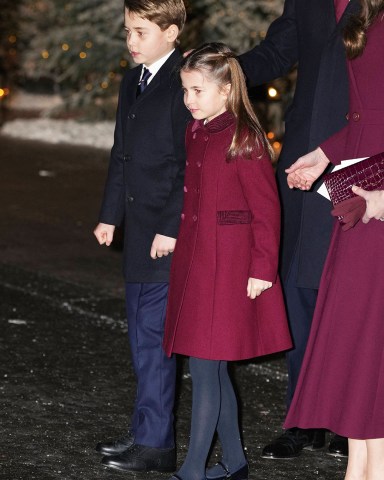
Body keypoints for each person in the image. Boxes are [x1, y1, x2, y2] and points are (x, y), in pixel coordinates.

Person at [162, 43, 292, 480]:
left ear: (226, 89)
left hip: (230, 266)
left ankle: (192, 469)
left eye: (198, 91)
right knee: (209, 367)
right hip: (197, 264)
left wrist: (261, 268)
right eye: (185, 91)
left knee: (206, 367)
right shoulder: (196, 131)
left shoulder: (244, 137)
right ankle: (234, 461)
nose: (189, 100)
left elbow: (266, 210)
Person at [235, 0, 357, 458]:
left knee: (351, 291)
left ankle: (351, 419)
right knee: (299, 288)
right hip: (303, 161)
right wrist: (226, 72)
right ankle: (303, 418)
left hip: (362, 157)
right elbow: (277, 50)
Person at [284, 2, 384, 478]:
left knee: (373, 353)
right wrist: (325, 152)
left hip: (377, 206)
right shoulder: (368, 17)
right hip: (358, 202)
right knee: (357, 351)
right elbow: (368, 119)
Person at [93, 0, 191, 473]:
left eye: (140, 32)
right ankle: (144, 428)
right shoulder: (134, 80)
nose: (130, 42)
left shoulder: (185, 83)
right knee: (139, 338)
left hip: (166, 237)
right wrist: (110, 215)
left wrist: (171, 228)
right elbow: (121, 154)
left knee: (153, 339)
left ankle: (157, 443)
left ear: (171, 32)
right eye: (127, 32)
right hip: (138, 235)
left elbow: (191, 166)